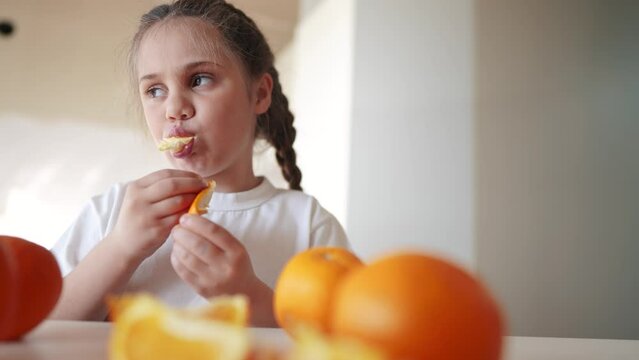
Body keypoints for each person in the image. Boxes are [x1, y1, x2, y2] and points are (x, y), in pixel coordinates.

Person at [49, 0, 350, 327]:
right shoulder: (111, 212)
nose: (174, 108)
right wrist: (120, 249)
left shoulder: (308, 224)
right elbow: (40, 327)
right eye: (155, 90)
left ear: (259, 94)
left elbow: (339, 341)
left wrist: (250, 296)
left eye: (199, 79)